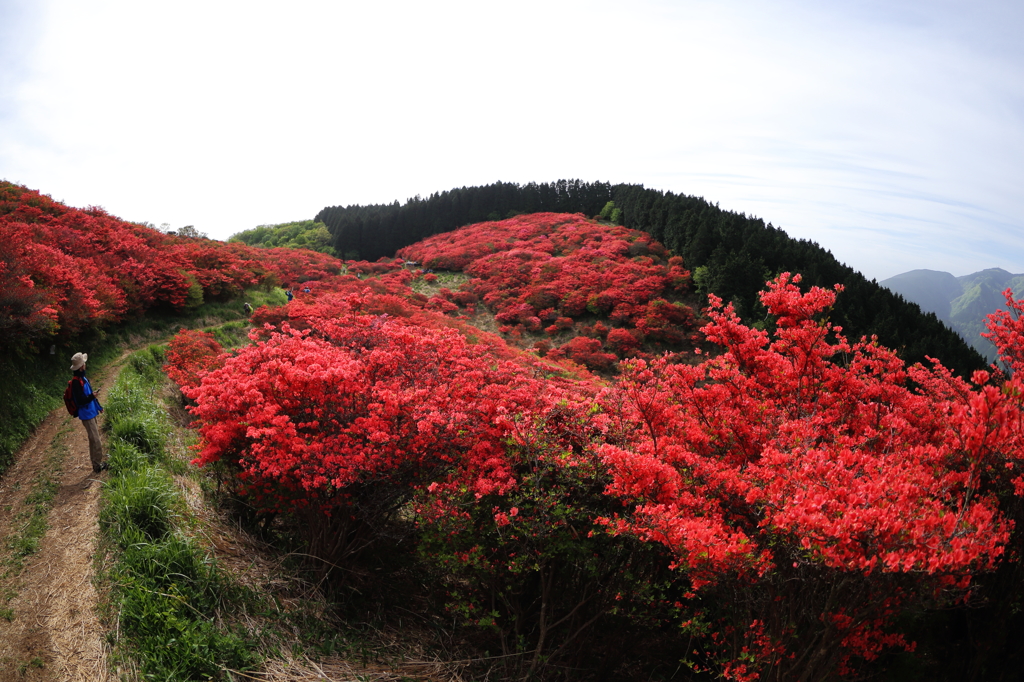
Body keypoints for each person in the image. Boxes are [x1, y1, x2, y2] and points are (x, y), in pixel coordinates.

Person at [70, 352, 107, 473]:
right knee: (96, 440)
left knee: (93, 439)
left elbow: (90, 394)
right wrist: (92, 396)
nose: (85, 365)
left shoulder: (83, 378)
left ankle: (96, 463)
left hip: (91, 412)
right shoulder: (76, 382)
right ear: (81, 366)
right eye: (84, 363)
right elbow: (80, 401)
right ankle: (97, 465)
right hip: (86, 415)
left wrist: (98, 406)